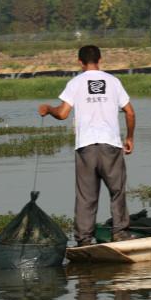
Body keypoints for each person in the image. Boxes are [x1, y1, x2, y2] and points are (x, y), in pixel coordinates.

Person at [38, 45, 136, 245]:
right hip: (110, 145)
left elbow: (63, 114)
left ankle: (83, 240)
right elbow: (130, 112)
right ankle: (120, 233)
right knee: (117, 190)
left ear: (80, 62)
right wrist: (130, 138)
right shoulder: (113, 81)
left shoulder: (75, 83)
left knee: (86, 197)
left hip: (85, 147)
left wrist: (49, 109)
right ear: (100, 59)